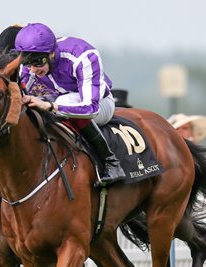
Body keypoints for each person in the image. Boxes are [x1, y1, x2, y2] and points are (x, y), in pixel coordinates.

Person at [14, 22, 124, 185]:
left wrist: (51, 107)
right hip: (61, 99)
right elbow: (22, 91)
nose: (32, 70)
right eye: (27, 64)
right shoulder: (32, 62)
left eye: (37, 62)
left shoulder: (83, 56)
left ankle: (110, 161)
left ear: (51, 54)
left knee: (60, 101)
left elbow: (90, 109)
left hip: (100, 104)